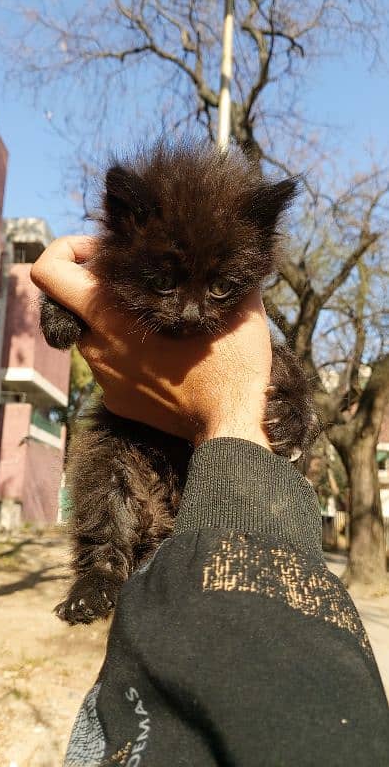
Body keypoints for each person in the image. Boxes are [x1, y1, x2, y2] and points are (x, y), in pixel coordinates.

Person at [31, 237, 389, 767]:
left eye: (220, 288)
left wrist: (239, 409)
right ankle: (101, 566)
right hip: (149, 473)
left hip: (202, 507)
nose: (193, 310)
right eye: (166, 284)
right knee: (106, 467)